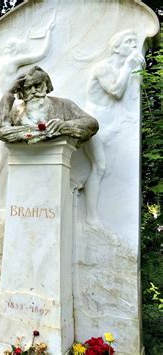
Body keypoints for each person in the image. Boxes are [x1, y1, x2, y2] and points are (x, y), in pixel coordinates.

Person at [0, 21, 54, 218]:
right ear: (14, 50)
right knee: (0, 161)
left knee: (1, 160)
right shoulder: (11, 64)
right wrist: (47, 34)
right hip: (2, 112)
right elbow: (40, 54)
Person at [83, 30, 144, 227]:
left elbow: (131, 97)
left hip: (110, 120)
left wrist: (136, 72)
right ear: (116, 47)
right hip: (94, 120)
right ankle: (91, 218)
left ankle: (89, 211)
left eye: (135, 42)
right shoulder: (103, 68)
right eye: (129, 42)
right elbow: (116, 91)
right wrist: (128, 66)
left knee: (103, 170)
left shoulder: (123, 69)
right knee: (100, 166)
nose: (134, 46)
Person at [0, 66, 98, 145]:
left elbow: (92, 124)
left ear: (46, 84)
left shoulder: (63, 104)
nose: (33, 91)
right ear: (21, 91)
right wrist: (9, 93)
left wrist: (65, 126)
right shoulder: (15, 111)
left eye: (37, 85)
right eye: (28, 88)